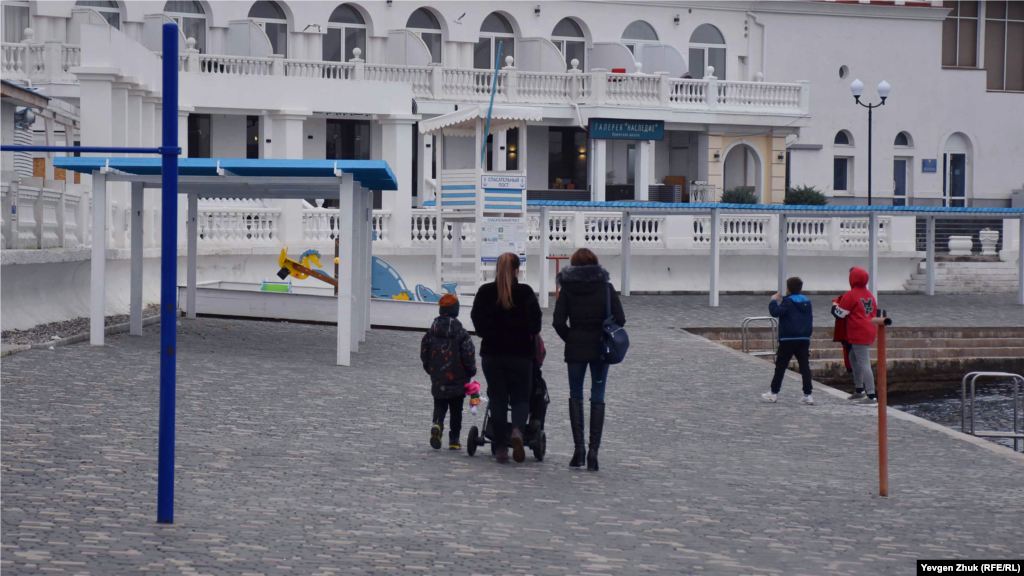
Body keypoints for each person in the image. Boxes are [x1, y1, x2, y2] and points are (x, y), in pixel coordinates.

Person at [552, 248, 625, 472]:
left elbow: (558, 322)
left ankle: (579, 450)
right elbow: (620, 319)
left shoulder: (567, 289)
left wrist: (571, 338)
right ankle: (594, 452)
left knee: (576, 395)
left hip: (576, 349)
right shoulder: (606, 287)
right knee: (597, 395)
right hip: (600, 348)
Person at [470, 253, 542, 464]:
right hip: (520, 355)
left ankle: (501, 447)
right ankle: (518, 431)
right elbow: (536, 325)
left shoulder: (485, 292)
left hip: (492, 354)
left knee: (498, 399)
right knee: (520, 398)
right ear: (517, 271)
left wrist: (487, 332)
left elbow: (477, 320)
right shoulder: (525, 292)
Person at [421, 294, 476, 450]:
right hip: (458, 379)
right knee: (456, 410)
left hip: (438, 377)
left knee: (439, 404)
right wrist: (470, 371)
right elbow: (468, 354)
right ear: (456, 310)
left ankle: (437, 424)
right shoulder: (461, 333)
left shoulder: (431, 332)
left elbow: (424, 350)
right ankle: (454, 439)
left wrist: (430, 368)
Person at [761, 277, 815, 405]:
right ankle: (808, 395)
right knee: (805, 366)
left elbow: (775, 312)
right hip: (804, 338)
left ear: (788, 289)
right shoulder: (807, 302)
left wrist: (773, 300)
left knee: (781, 366)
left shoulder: (788, 302)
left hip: (788, 338)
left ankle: (774, 393)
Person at [831, 266, 878, 405]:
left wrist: (834, 305)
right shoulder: (869, 294)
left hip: (858, 331)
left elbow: (840, 314)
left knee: (863, 363)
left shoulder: (851, 294)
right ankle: (859, 390)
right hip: (868, 329)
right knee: (853, 357)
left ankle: (871, 395)